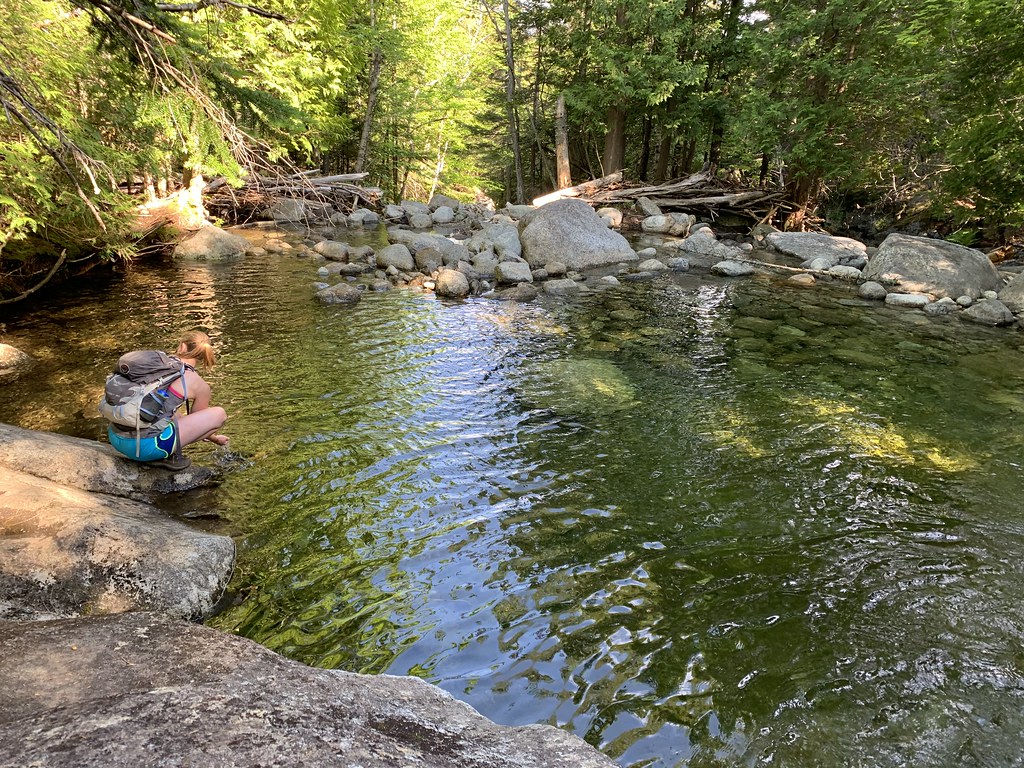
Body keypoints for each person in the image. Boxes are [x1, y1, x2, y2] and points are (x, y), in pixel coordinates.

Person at [106, 330, 228, 469]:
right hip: (145, 449)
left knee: (170, 412)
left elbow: (164, 411)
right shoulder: (199, 385)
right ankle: (161, 456)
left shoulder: (154, 366)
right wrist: (215, 438)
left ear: (182, 346)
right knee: (219, 414)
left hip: (115, 437)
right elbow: (199, 423)